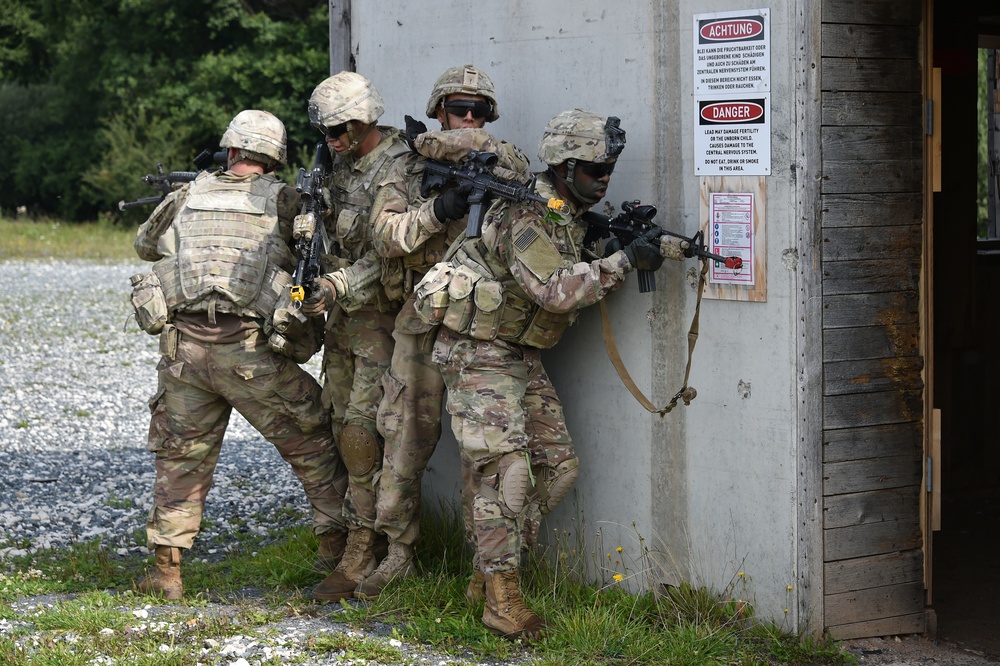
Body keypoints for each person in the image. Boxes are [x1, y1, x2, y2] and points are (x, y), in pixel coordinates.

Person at [417, 109, 687, 638]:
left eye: (609, 166)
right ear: (564, 168)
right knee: (507, 475)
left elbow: (587, 247)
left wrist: (666, 247)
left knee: (557, 468)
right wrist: (625, 261)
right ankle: (503, 598)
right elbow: (556, 292)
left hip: (519, 354)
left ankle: (485, 569)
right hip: (478, 352)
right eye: (594, 169)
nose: (604, 177)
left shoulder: (567, 210)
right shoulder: (529, 213)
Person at [132, 110, 349, 600]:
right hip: (251, 353)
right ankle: (337, 553)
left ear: (230, 150)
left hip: (183, 351)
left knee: (180, 458)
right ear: (274, 158)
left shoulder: (187, 194)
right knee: (313, 442)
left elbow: (147, 245)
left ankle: (166, 573)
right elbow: (316, 259)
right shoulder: (287, 200)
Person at [357, 64, 524, 600]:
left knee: (486, 451)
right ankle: (397, 552)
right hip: (420, 323)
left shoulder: (505, 161)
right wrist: (439, 209)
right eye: (459, 108)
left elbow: (528, 193)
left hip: (481, 331)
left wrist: (474, 155)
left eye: (479, 110)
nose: (469, 118)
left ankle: (487, 568)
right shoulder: (405, 165)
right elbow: (385, 236)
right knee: (402, 441)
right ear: (437, 111)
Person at [297, 71, 410, 602]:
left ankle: (366, 551)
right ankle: (356, 537)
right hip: (342, 322)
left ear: (366, 118)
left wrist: (338, 282)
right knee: (339, 427)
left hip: (379, 322)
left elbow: (391, 251)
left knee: (364, 436)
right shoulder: (337, 167)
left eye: (341, 129)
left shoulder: (397, 167)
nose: (333, 140)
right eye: (325, 131)